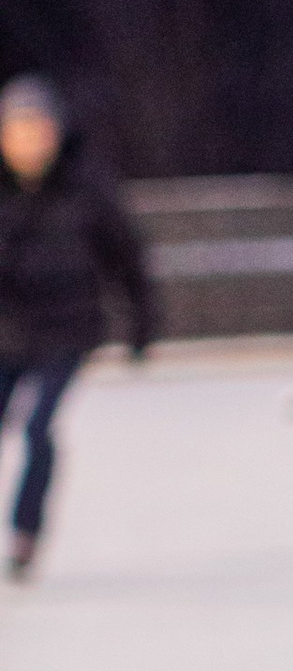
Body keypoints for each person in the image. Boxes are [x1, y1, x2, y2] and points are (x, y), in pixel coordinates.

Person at [0, 73, 160, 577]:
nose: (27, 142)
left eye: (35, 129)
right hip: (6, 334)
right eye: (16, 130)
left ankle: (26, 531)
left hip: (66, 333)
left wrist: (141, 325)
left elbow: (127, 258)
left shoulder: (85, 189)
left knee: (38, 426)